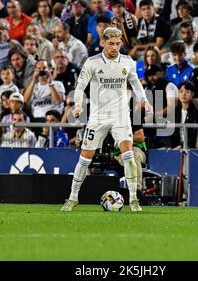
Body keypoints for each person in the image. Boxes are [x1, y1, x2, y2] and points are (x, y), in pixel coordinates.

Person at [61, 27, 153, 212]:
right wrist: (78, 105)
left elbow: (135, 83)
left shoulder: (127, 61)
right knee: (85, 159)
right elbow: (80, 87)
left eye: (118, 44)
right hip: (98, 117)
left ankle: (134, 199)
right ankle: (73, 197)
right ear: (103, 42)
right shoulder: (92, 63)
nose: (114, 47)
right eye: (111, 43)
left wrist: (144, 100)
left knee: (128, 156)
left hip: (121, 117)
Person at [169, 81, 198, 148]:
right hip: (176, 146)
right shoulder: (175, 111)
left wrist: (182, 146)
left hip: (191, 147)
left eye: (187, 92)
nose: (183, 95)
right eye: (181, 92)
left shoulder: (197, 112)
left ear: (192, 94)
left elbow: (195, 135)